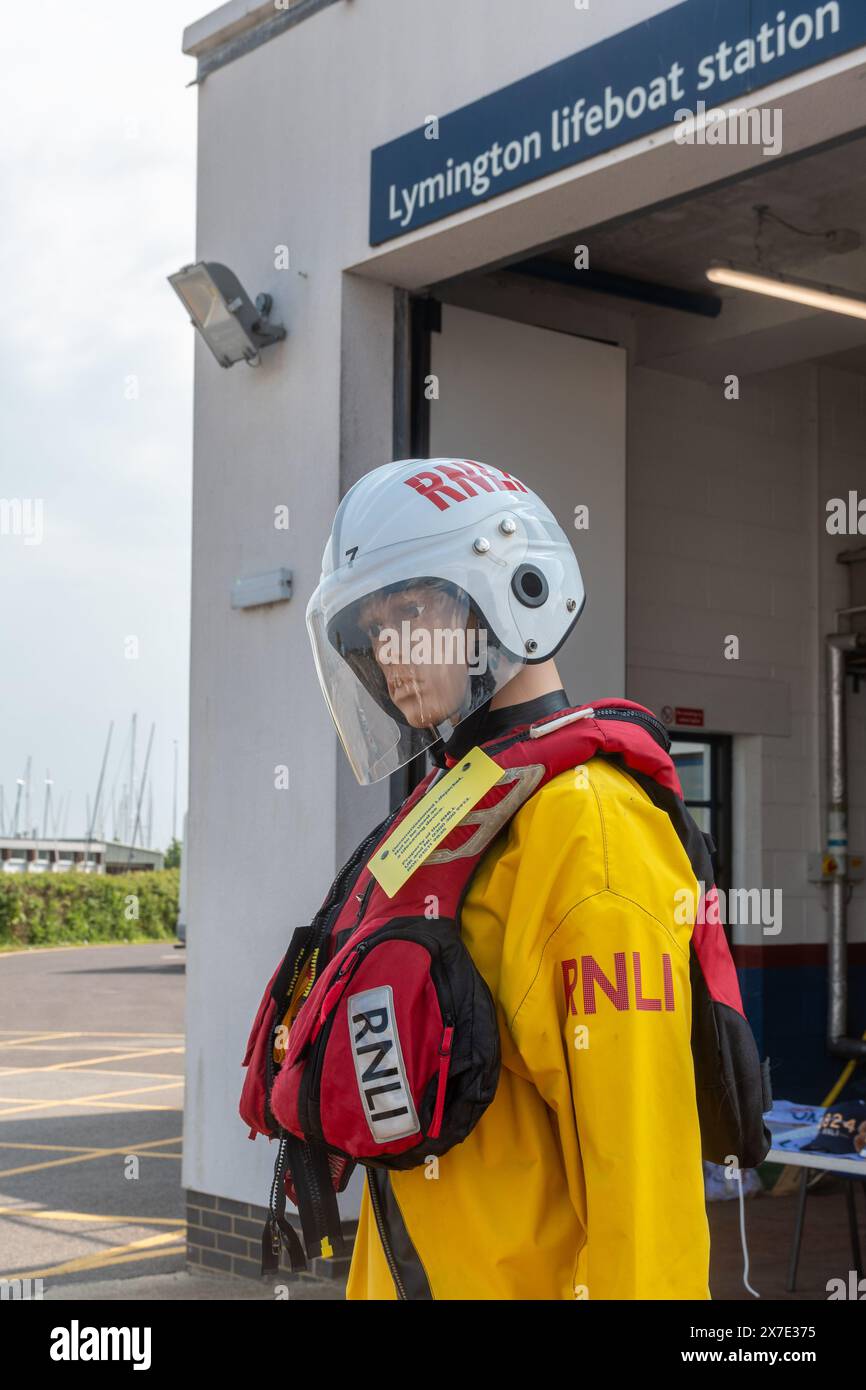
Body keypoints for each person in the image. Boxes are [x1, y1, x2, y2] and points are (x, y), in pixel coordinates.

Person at [302, 456, 713, 1300]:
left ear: (516, 588)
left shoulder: (588, 827)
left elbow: (645, 1186)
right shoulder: (451, 819)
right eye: (372, 631)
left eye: (408, 612)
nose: (388, 655)